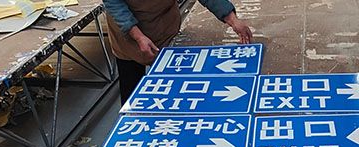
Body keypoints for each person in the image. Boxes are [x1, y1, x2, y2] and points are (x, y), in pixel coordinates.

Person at [103, 0, 253, 102]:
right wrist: (137, 36)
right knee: (132, 90)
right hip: (128, 31)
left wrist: (233, 20)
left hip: (164, 23)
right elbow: (113, 3)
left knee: (173, 87)